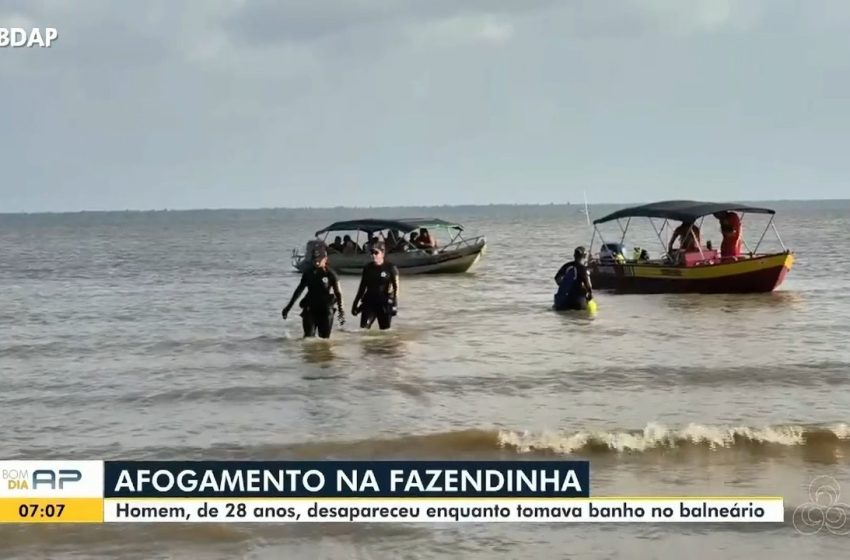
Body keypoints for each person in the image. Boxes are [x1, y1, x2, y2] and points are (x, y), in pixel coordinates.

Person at [281, 244, 344, 338]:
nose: (316, 261)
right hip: (310, 308)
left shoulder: (331, 274)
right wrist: (288, 307)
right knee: (308, 338)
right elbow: (299, 291)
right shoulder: (308, 273)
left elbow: (338, 293)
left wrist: (341, 311)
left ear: (325, 259)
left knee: (324, 340)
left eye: (319, 258)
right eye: (314, 258)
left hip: (326, 310)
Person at [351, 242, 399, 330]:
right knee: (363, 330)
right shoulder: (368, 268)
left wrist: (395, 304)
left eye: (376, 253)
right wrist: (355, 304)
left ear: (383, 253)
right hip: (369, 302)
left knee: (385, 332)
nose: (373, 255)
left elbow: (396, 288)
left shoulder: (391, 268)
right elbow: (362, 287)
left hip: (384, 303)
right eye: (372, 252)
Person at [553, 246, 593, 311]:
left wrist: (564, 285)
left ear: (574, 255)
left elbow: (557, 278)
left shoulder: (567, 266)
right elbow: (587, 284)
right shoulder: (583, 269)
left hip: (563, 301)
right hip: (577, 301)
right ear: (584, 256)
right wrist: (590, 294)